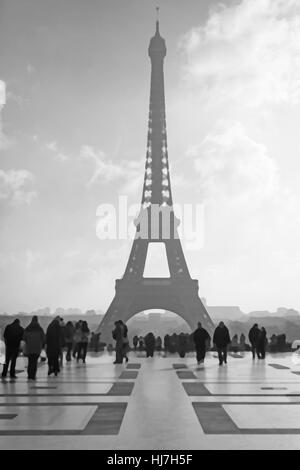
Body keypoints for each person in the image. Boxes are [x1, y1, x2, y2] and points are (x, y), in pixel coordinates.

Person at [23, 316, 45, 381]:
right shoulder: (40, 329)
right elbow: (43, 339)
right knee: (35, 362)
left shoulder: (28, 328)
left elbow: (24, 338)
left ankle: (29, 375)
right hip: (37, 349)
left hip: (29, 348)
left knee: (30, 362)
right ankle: (33, 376)